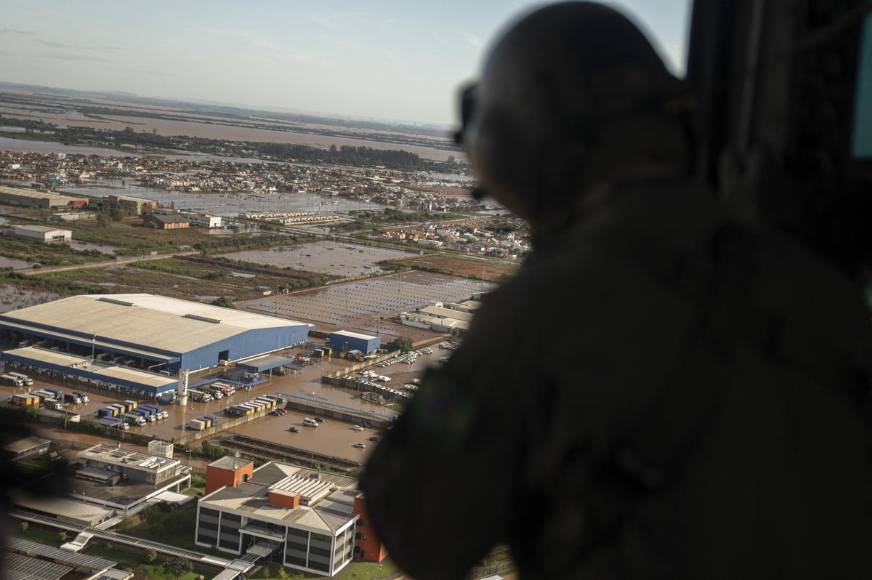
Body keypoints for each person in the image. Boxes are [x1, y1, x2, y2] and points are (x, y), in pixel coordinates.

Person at [360, 2, 872, 579]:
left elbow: (412, 524)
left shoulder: (548, 308)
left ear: (517, 149)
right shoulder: (820, 285)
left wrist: (455, 384)